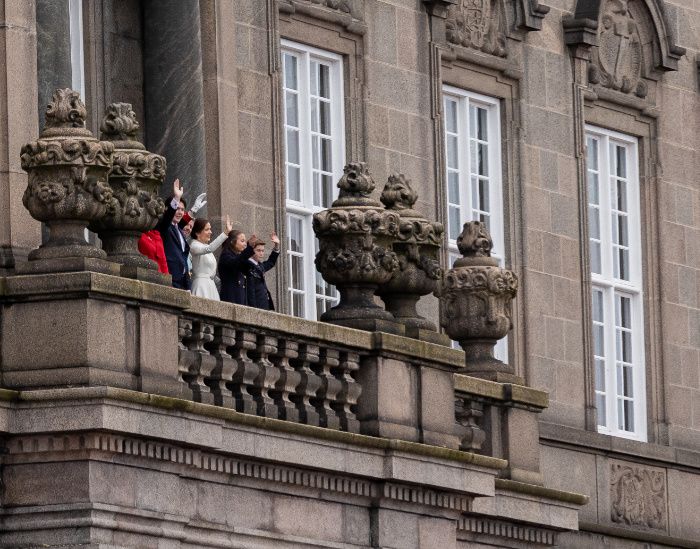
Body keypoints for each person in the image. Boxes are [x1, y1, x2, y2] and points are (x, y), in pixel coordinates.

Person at [155, 179, 191, 289]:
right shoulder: (164, 226)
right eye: (177, 208)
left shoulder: (178, 228)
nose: (180, 212)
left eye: (182, 210)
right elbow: (167, 219)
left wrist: (193, 211)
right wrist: (176, 198)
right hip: (171, 276)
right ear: (167, 208)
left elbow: (181, 221)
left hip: (184, 278)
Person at [190, 216, 233, 300]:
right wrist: (225, 233)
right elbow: (210, 248)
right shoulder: (194, 245)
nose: (210, 232)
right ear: (197, 233)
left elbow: (211, 273)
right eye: (207, 229)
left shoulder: (206, 247)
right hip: (201, 286)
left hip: (211, 287)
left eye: (210, 229)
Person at [219, 230, 256, 305]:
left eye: (245, 241)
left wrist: (249, 248)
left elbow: (245, 265)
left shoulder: (237, 256)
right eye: (242, 241)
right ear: (232, 242)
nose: (244, 244)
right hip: (230, 299)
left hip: (240, 299)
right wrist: (249, 248)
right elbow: (236, 262)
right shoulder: (226, 255)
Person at [246, 232, 280, 310]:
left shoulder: (260, 265)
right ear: (251, 250)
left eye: (262, 251)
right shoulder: (247, 265)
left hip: (264, 305)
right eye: (258, 250)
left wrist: (276, 246)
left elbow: (271, 262)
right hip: (255, 307)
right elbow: (250, 291)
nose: (261, 253)